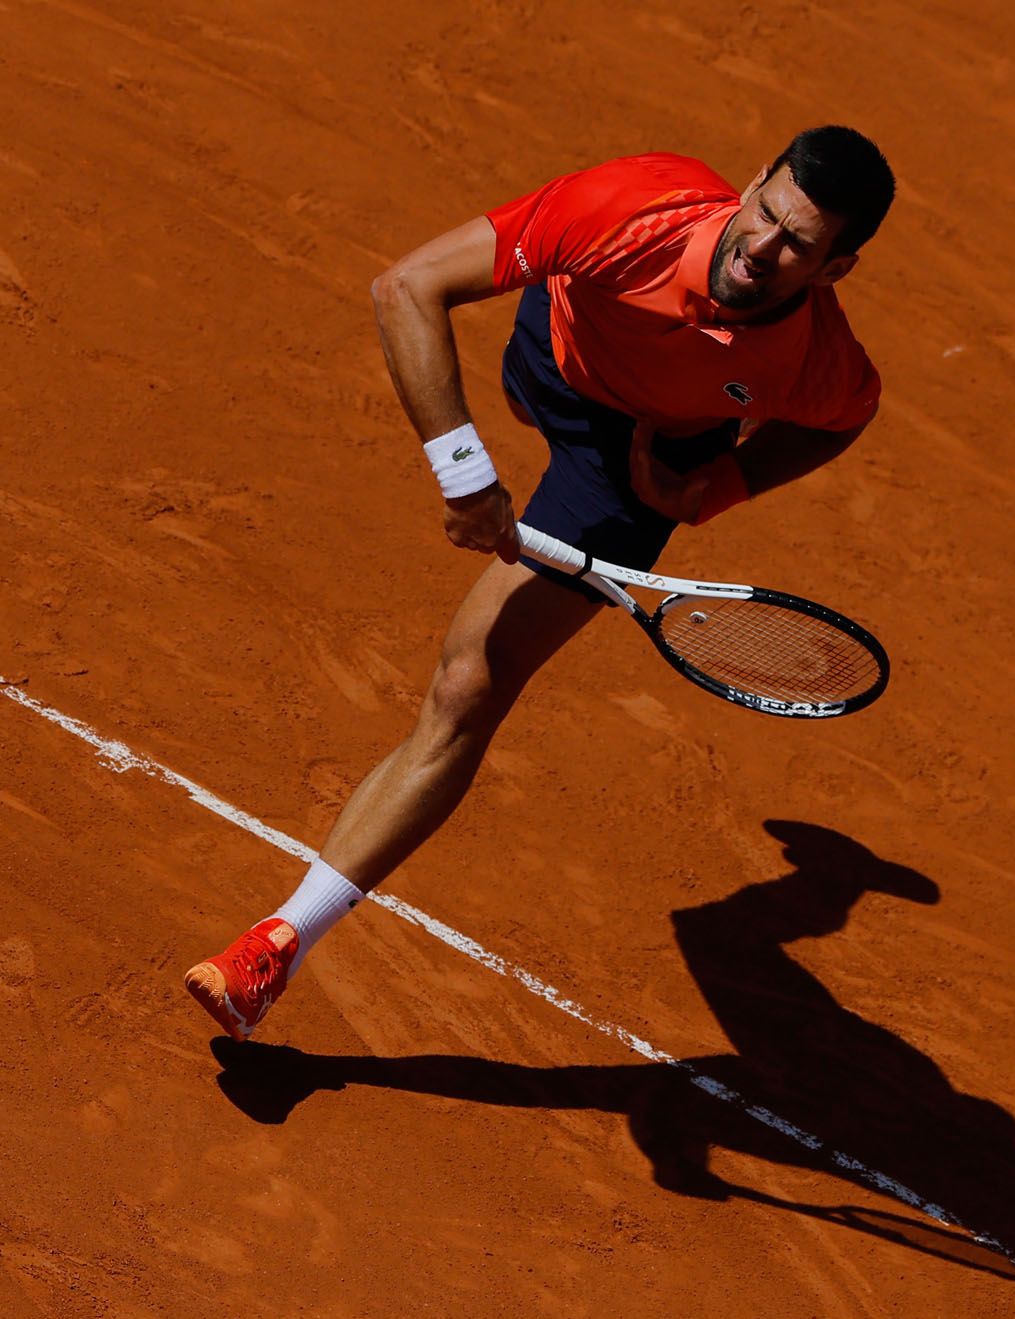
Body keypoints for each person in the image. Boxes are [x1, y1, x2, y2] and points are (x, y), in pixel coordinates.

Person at [185, 125, 895, 1041]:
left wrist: (714, 486)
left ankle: (279, 942)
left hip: (634, 466)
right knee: (520, 382)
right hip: (555, 353)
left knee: (469, 685)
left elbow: (846, 416)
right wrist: (465, 475)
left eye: (798, 244)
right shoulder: (634, 208)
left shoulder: (815, 360)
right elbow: (407, 287)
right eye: (766, 212)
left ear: (835, 271)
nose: (762, 246)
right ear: (756, 181)